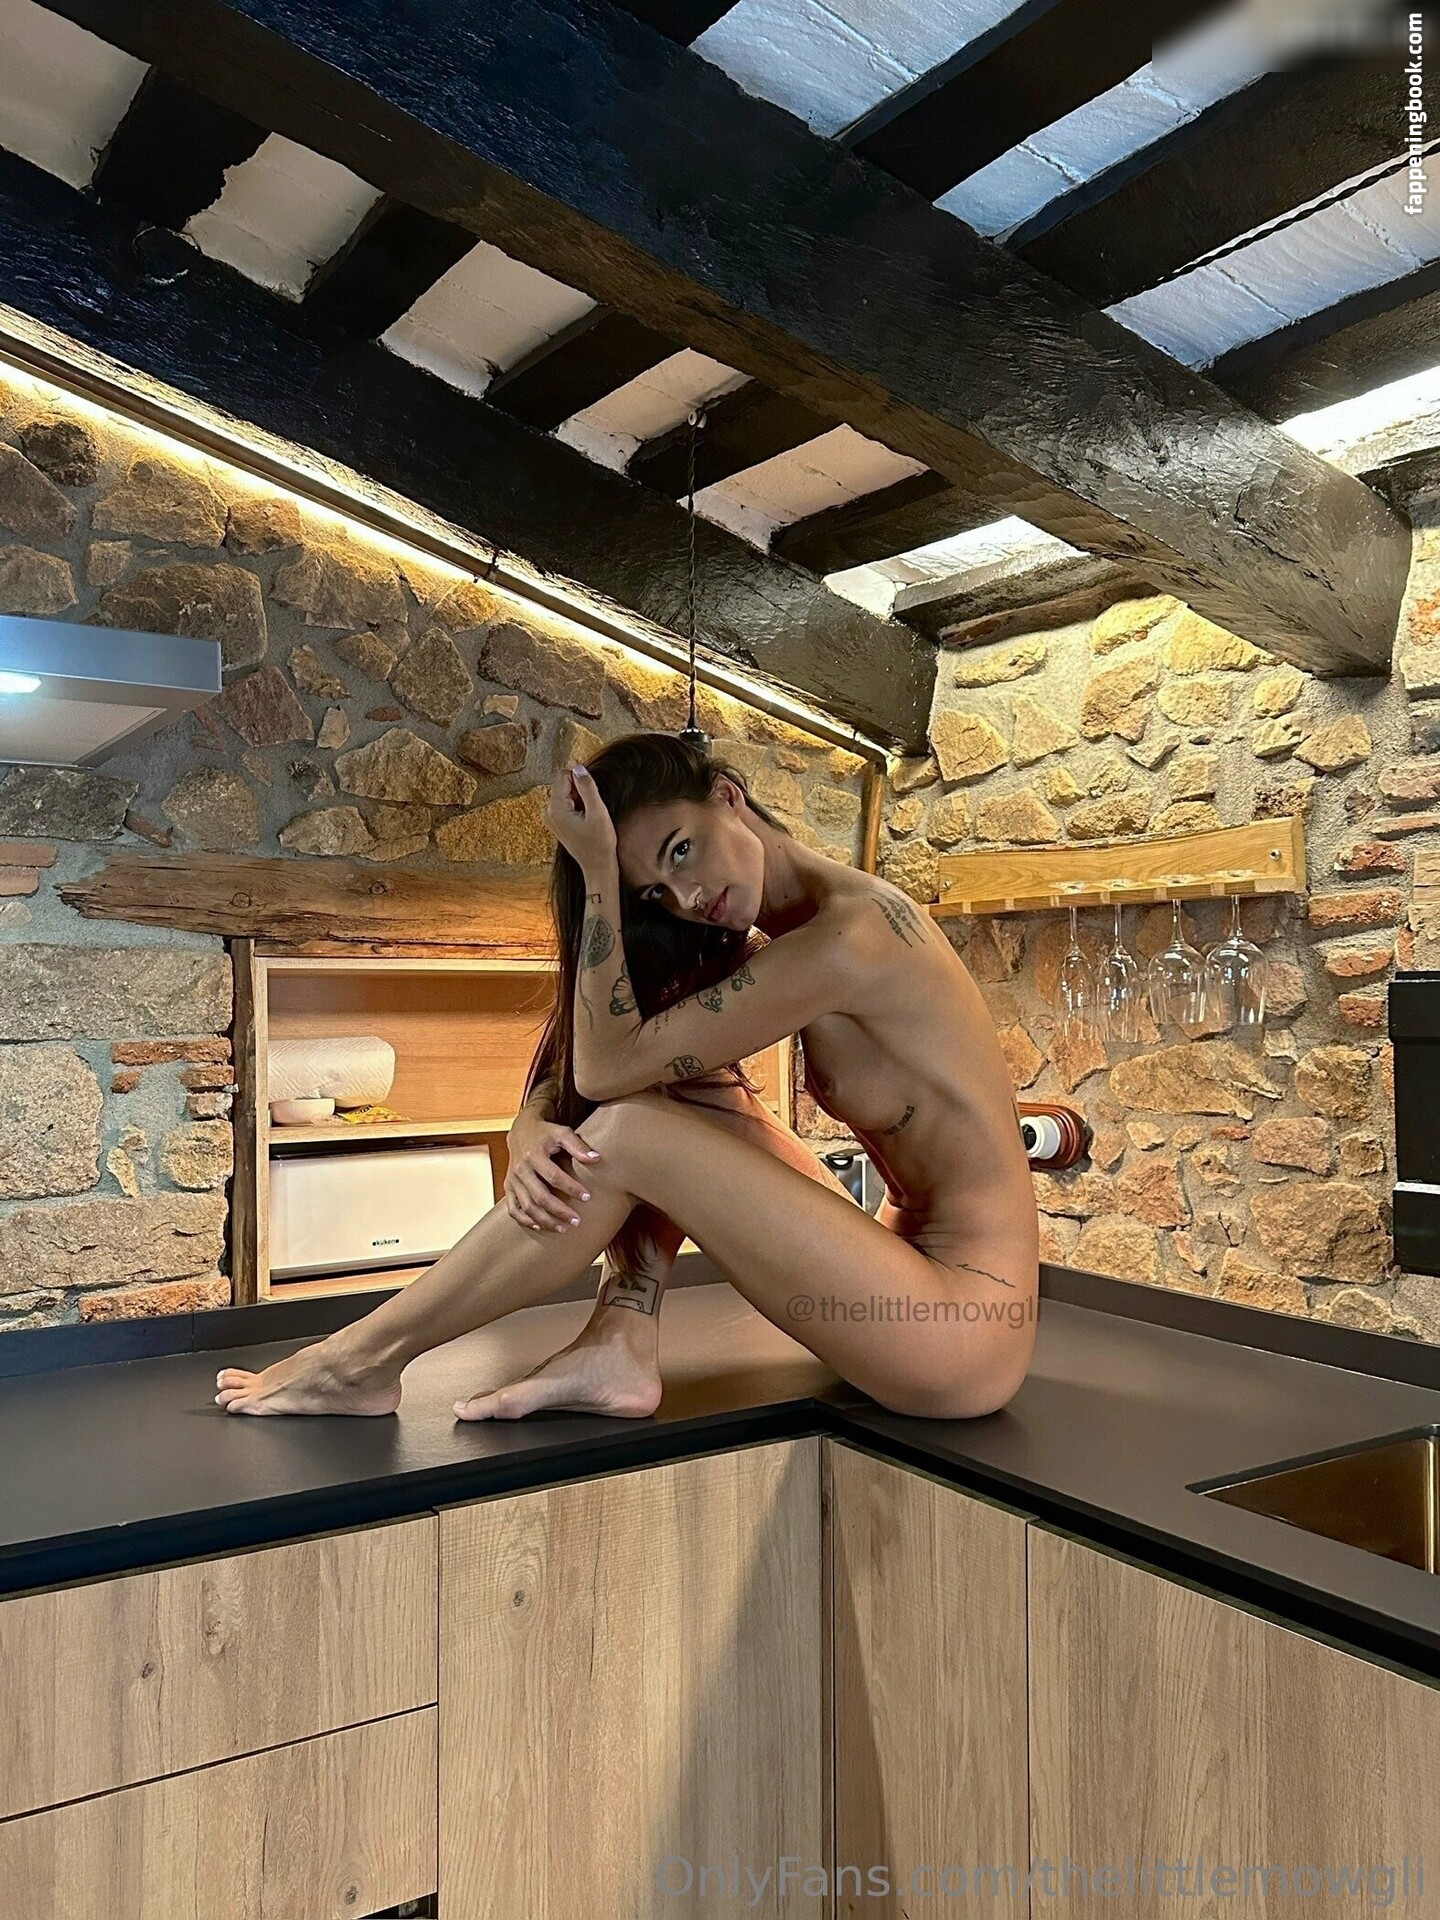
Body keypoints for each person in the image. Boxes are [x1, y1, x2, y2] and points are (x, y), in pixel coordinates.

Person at [215, 732, 1039, 1422]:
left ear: (727, 797)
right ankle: (620, 1338)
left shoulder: (851, 939)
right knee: (662, 1100)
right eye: (659, 891)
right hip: (898, 1275)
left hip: (962, 1328)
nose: (689, 895)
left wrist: (601, 873)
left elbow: (610, 1069)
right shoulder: (785, 939)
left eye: (682, 851)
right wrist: (528, 1126)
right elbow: (608, 1063)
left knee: (633, 1130)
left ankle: (360, 1359)